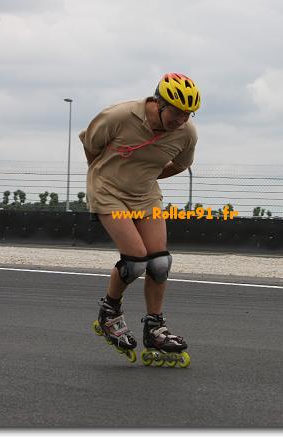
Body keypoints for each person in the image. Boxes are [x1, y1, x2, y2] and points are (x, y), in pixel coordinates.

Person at [79, 72, 200, 362]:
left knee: (159, 263)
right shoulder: (120, 116)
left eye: (188, 114)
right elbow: (90, 144)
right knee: (134, 261)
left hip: (145, 194)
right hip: (108, 191)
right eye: (177, 112)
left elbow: (180, 165)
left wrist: (144, 177)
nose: (182, 120)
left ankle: (155, 327)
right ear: (159, 103)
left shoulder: (187, 133)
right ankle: (109, 313)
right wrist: (105, 175)